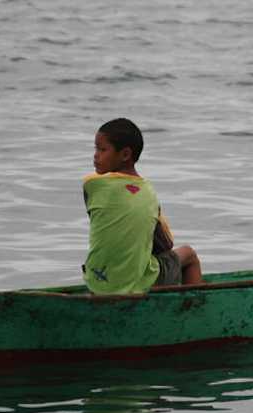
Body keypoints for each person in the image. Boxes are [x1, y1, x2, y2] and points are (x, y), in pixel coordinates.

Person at [83, 118, 202, 293]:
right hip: (138, 284)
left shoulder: (91, 185)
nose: (96, 155)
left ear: (125, 155)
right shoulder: (148, 193)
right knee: (189, 255)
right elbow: (166, 244)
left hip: (96, 281)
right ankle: (193, 313)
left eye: (102, 149)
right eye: (96, 149)